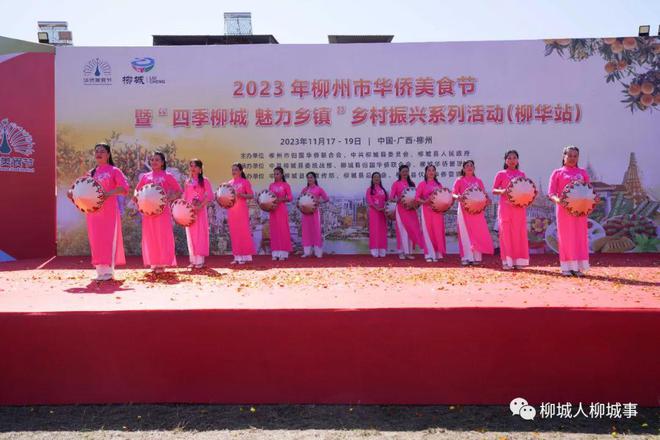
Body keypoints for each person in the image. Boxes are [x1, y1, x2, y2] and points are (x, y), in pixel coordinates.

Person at [68, 143, 129, 281]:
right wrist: (71, 192)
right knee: (96, 240)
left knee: (108, 239)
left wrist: (108, 194)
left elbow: (124, 188)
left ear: (108, 154)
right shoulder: (91, 173)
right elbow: (79, 188)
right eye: (96, 151)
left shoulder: (114, 170)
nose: (98, 153)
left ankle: (109, 271)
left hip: (109, 212)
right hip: (93, 213)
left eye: (102, 151)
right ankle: (100, 271)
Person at [548, 145, 594, 276]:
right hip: (564, 211)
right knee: (566, 237)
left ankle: (578, 267)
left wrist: (591, 202)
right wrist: (559, 201)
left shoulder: (582, 173)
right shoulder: (557, 173)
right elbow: (551, 193)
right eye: (569, 155)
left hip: (580, 211)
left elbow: (588, 190)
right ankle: (567, 267)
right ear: (564, 157)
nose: (572, 158)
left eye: (575, 156)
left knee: (579, 237)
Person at [135, 151, 182, 273]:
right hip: (148, 212)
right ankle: (153, 262)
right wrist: (137, 198)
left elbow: (178, 191)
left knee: (162, 235)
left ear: (162, 162)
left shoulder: (167, 176)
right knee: (150, 235)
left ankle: (162, 262)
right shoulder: (146, 176)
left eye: (157, 160)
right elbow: (137, 190)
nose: (154, 162)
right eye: (152, 160)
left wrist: (168, 199)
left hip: (162, 211)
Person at [492, 150, 530, 270]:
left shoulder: (521, 174)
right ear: (505, 160)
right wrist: (502, 191)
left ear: (517, 160)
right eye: (509, 158)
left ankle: (519, 260)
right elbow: (494, 190)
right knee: (506, 233)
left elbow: (526, 189)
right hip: (505, 207)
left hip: (519, 208)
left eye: (514, 158)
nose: (512, 160)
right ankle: (507, 261)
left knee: (518, 233)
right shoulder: (501, 174)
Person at [452, 160, 494, 265]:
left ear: (474, 168)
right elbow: (453, 194)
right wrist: (458, 197)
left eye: (471, 166)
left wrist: (488, 200)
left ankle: (477, 257)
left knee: (477, 232)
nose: (469, 167)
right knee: (465, 233)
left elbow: (483, 194)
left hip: (477, 211)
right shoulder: (459, 180)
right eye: (467, 166)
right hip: (464, 210)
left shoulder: (478, 181)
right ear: (463, 169)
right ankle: (466, 257)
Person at [389, 164, 425, 260]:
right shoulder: (396, 184)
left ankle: (409, 252)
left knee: (410, 230)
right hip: (401, 210)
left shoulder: (412, 184)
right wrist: (399, 199)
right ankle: (401, 252)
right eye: (403, 171)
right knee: (402, 230)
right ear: (399, 173)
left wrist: (416, 203)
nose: (405, 173)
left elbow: (416, 196)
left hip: (411, 210)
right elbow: (391, 198)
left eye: (406, 171)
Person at [183, 159, 214, 269]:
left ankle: (200, 260)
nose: (193, 168)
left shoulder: (205, 181)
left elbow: (210, 196)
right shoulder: (187, 181)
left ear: (200, 169)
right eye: (191, 166)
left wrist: (200, 206)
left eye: (195, 166)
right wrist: (184, 209)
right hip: (189, 212)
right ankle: (193, 260)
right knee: (190, 235)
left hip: (200, 212)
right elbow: (185, 196)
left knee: (199, 234)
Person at [226, 163, 255, 265]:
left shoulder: (245, 182)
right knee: (234, 233)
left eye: (236, 170)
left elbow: (251, 195)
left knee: (243, 232)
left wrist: (241, 195)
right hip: (232, 210)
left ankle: (245, 256)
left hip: (242, 210)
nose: (234, 171)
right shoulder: (229, 183)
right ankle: (237, 256)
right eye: (233, 170)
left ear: (241, 171)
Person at [415, 164, 446, 262]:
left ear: (435, 172)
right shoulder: (422, 184)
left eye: (433, 170)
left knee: (438, 231)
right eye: (429, 170)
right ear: (425, 172)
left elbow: (443, 196)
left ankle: (438, 254)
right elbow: (417, 198)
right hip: (426, 210)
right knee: (428, 231)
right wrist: (424, 202)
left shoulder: (438, 184)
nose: (431, 172)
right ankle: (429, 254)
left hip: (437, 211)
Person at [300, 171, 329, 258]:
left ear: (315, 178)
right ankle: (307, 252)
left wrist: (318, 201)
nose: (309, 179)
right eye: (308, 177)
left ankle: (318, 252)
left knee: (316, 231)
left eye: (311, 177)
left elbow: (326, 199)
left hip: (314, 213)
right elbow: (300, 200)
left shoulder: (319, 189)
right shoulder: (304, 189)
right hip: (305, 214)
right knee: (306, 232)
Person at [268, 166, 293, 261]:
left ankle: (283, 253)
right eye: (274, 174)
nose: (275, 175)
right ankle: (275, 253)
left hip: (281, 209)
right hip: (273, 210)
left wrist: (281, 199)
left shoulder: (286, 185)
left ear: (282, 174)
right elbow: (268, 197)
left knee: (282, 230)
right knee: (274, 231)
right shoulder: (271, 185)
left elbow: (290, 197)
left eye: (277, 174)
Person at [365, 172, 388, 258]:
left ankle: (382, 249)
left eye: (378, 177)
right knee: (374, 231)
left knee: (382, 231)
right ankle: (374, 250)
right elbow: (369, 201)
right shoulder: (369, 190)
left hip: (382, 213)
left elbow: (387, 201)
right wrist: (377, 208)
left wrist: (385, 208)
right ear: (372, 179)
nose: (376, 178)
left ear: (380, 179)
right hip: (374, 213)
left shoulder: (383, 190)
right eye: (375, 177)